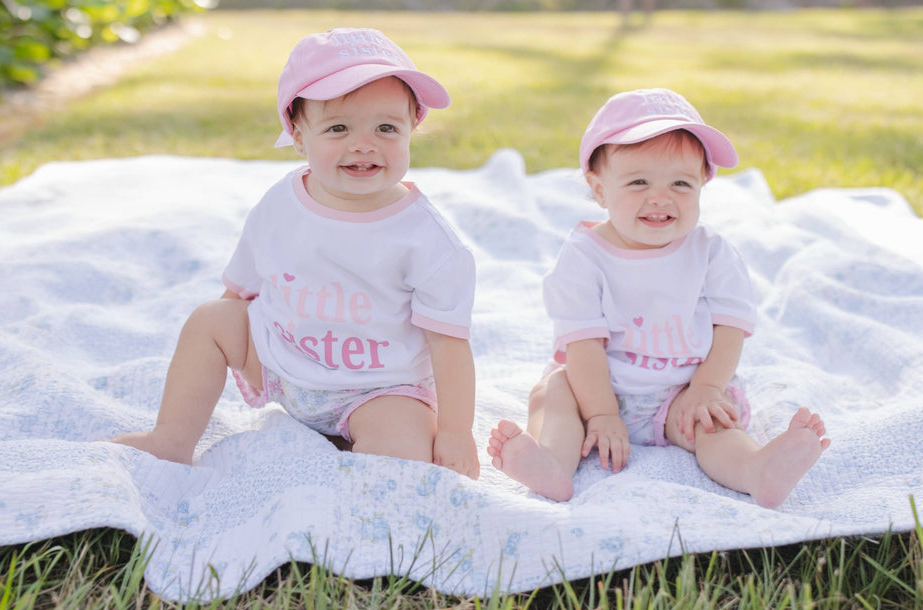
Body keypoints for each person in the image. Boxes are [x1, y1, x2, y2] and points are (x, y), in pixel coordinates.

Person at [113, 28, 479, 478]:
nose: (363, 144)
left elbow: (449, 345)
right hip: (282, 364)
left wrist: (456, 433)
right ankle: (170, 439)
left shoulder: (427, 239)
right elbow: (242, 288)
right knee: (210, 319)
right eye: (338, 128)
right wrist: (230, 352)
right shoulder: (281, 204)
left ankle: (360, 448)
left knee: (400, 463)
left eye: (386, 128)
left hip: (379, 388)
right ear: (299, 137)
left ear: (412, 130)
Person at [487, 88, 828, 506]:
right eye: (638, 182)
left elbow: (730, 329)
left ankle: (756, 469)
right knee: (553, 395)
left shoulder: (711, 252)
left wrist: (706, 387)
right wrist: (601, 414)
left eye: (681, 183)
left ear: (703, 183)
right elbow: (583, 344)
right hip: (596, 387)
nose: (660, 198)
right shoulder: (583, 256)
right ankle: (551, 463)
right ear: (598, 189)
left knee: (713, 426)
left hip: (681, 391)